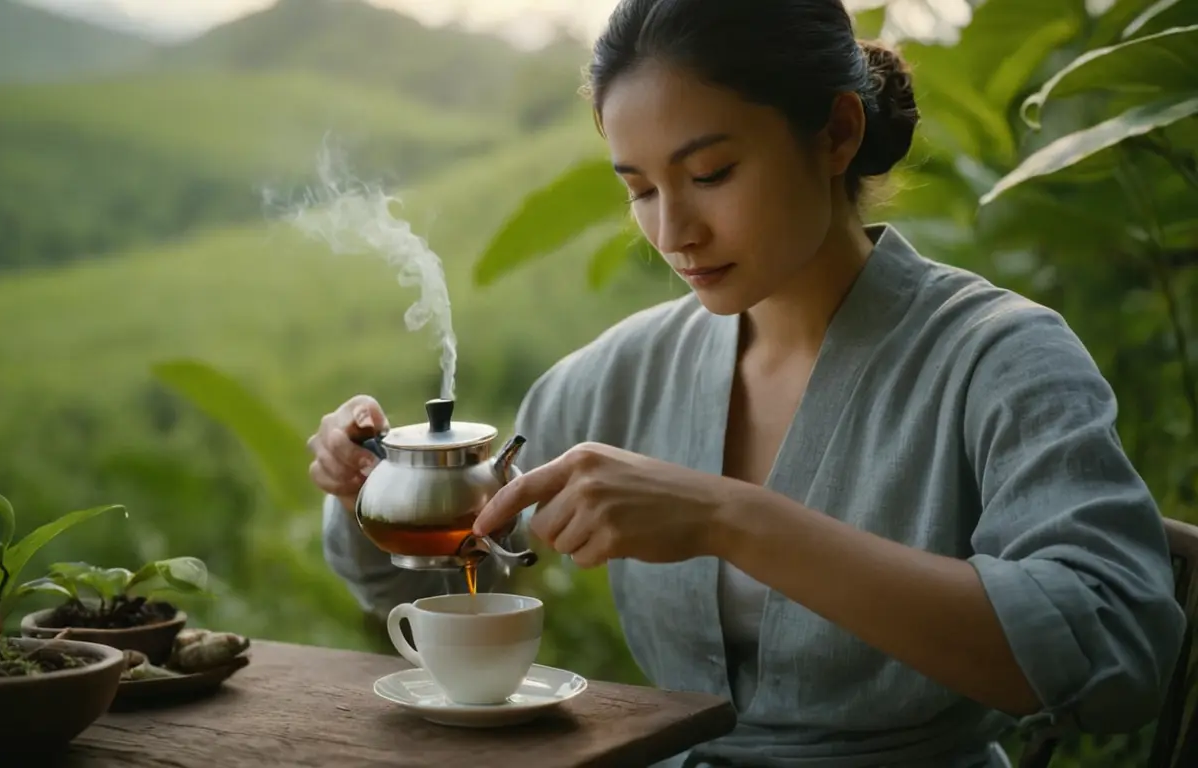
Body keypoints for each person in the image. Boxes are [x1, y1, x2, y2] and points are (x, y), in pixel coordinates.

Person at [308, 1, 1186, 765]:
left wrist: (732, 519)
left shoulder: (1000, 358)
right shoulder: (625, 371)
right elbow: (441, 576)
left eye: (711, 174)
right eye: (641, 189)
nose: (674, 231)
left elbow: (1114, 648)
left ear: (838, 133)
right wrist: (376, 484)